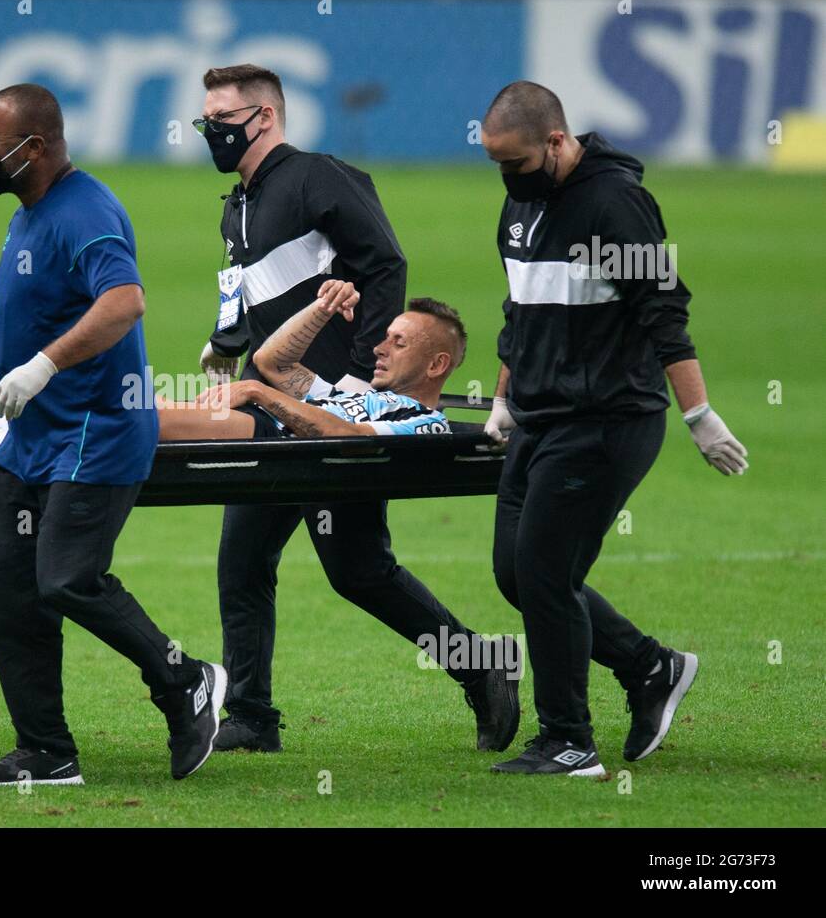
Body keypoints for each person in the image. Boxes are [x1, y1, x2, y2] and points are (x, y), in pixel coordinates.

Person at [194, 64, 517, 753]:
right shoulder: (236, 206)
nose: (211, 131)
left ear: (265, 118)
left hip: (326, 412)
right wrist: (222, 345)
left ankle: (481, 664)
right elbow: (248, 298)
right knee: (243, 561)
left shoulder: (319, 177)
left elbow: (385, 263)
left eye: (222, 119)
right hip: (277, 406)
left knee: (357, 569)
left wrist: (358, 384)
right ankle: (252, 715)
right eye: (206, 120)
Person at [0, 84, 226, 787]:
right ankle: (45, 751)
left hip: (94, 433)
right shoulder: (32, 211)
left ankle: (187, 680)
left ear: (35, 148)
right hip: (32, 438)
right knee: (7, 591)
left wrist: (44, 365)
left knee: (67, 577)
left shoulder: (85, 209)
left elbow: (125, 301)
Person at [479, 81, 747, 775]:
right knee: (516, 572)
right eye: (496, 164)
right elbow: (521, 310)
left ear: (558, 142)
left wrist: (699, 415)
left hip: (605, 421)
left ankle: (568, 741)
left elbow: (664, 311)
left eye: (515, 161)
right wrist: (504, 397)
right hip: (540, 418)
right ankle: (649, 667)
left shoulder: (613, 205)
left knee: (543, 570)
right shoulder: (522, 203)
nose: (507, 176)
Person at [159, 280, 456, 442]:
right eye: (386, 337)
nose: (379, 348)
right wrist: (325, 306)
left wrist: (257, 391)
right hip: (256, 421)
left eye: (398, 342)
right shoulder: (352, 399)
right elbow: (272, 362)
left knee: (142, 421)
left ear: (436, 365)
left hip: (265, 431)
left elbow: (346, 436)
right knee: (134, 408)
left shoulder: (426, 423)